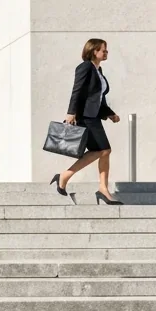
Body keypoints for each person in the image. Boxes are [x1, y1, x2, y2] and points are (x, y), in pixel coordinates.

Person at [50, 38, 122, 205]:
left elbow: (98, 97)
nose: (106, 52)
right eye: (103, 50)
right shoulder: (85, 67)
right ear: (94, 51)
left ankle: (69, 178)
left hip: (93, 116)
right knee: (104, 150)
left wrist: (110, 114)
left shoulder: (98, 70)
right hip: (84, 116)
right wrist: (71, 113)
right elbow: (77, 90)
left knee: (102, 151)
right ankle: (96, 186)